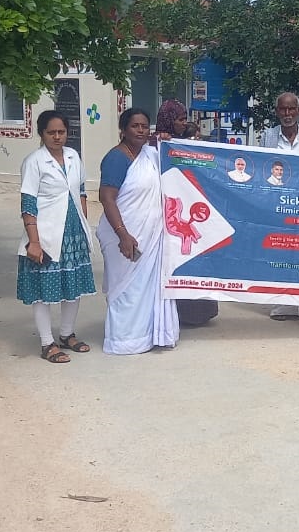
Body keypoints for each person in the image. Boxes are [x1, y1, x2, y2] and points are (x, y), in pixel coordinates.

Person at [97, 107, 182, 352]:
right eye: (135, 126)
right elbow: (107, 197)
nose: (141, 130)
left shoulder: (150, 154)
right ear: (123, 130)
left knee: (146, 288)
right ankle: (123, 341)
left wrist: (166, 142)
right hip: (122, 236)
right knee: (126, 289)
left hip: (151, 235)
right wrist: (123, 234)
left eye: (145, 126)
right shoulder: (116, 157)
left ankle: (147, 336)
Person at [18, 110, 97, 363]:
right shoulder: (34, 161)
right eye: (51, 132)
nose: (57, 137)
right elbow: (28, 203)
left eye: (61, 132)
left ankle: (67, 334)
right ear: (41, 134)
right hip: (46, 234)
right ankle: (46, 343)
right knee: (44, 289)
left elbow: (81, 192)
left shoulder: (74, 156)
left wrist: (84, 224)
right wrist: (35, 241)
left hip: (73, 232)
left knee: (72, 286)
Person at [153, 98, 219, 327]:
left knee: (195, 258)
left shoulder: (188, 143)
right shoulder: (156, 146)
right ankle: (176, 314)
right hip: (170, 214)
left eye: (184, 119)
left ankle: (200, 313)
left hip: (193, 210)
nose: (184, 123)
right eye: (180, 119)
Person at [258, 92, 299, 321]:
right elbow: (262, 170)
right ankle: (281, 306)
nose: (287, 114)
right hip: (277, 206)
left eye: (291, 109)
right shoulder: (268, 137)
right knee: (279, 253)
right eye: (283, 109)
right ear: (277, 111)